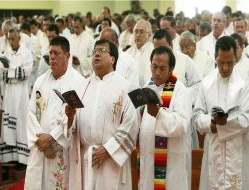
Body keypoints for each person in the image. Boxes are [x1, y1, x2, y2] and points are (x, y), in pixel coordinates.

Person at [71, 39, 138, 190]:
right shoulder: (82, 86)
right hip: (86, 157)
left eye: (102, 51)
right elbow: (73, 122)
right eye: (94, 51)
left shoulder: (127, 88)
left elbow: (131, 124)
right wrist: (69, 118)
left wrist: (108, 149)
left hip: (111, 159)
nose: (96, 54)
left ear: (113, 59)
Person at [24, 36, 84, 190]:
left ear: (68, 56)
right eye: (50, 53)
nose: (52, 57)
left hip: (61, 148)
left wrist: (52, 138)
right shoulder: (40, 81)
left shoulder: (78, 82)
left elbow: (77, 116)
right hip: (40, 147)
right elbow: (31, 113)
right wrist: (41, 141)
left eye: (57, 53)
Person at [192, 36, 249, 189]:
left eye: (229, 62)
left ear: (235, 59)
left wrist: (225, 122)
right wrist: (211, 124)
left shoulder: (244, 83)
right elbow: (196, 116)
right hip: (214, 150)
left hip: (238, 150)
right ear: (215, 58)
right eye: (221, 62)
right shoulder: (206, 83)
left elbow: (246, 118)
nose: (225, 68)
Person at [139, 46, 191, 190]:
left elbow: (182, 125)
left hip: (170, 166)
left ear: (171, 69)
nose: (156, 72)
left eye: (162, 68)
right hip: (148, 163)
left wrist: (159, 114)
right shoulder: (147, 87)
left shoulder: (180, 91)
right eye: (154, 67)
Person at [0, 28, 33, 165]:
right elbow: (2, 73)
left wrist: (10, 70)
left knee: (20, 124)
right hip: (8, 94)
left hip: (21, 96)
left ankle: (21, 159)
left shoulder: (26, 53)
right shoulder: (6, 53)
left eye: (13, 38)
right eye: (9, 38)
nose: (10, 41)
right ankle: (9, 158)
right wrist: (11, 73)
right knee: (7, 125)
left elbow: (26, 73)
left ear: (19, 39)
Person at [126, 19, 154, 86]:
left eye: (141, 32)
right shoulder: (128, 52)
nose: (138, 35)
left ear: (149, 35)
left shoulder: (153, 53)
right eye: (136, 31)